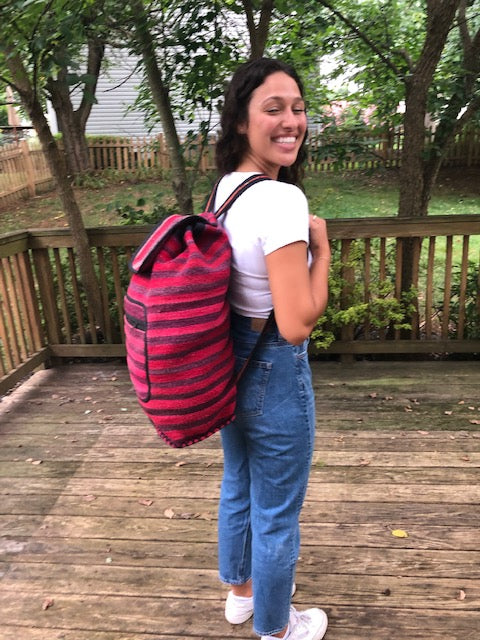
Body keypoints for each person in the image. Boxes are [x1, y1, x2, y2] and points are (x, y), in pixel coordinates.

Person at [213, 57, 331, 640]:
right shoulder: (282, 202)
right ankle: (277, 628)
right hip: (273, 369)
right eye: (273, 108)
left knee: (240, 480)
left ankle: (241, 596)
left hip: (226, 361)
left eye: (299, 108)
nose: (291, 121)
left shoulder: (229, 189)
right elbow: (295, 324)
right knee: (278, 511)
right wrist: (324, 252)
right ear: (241, 120)